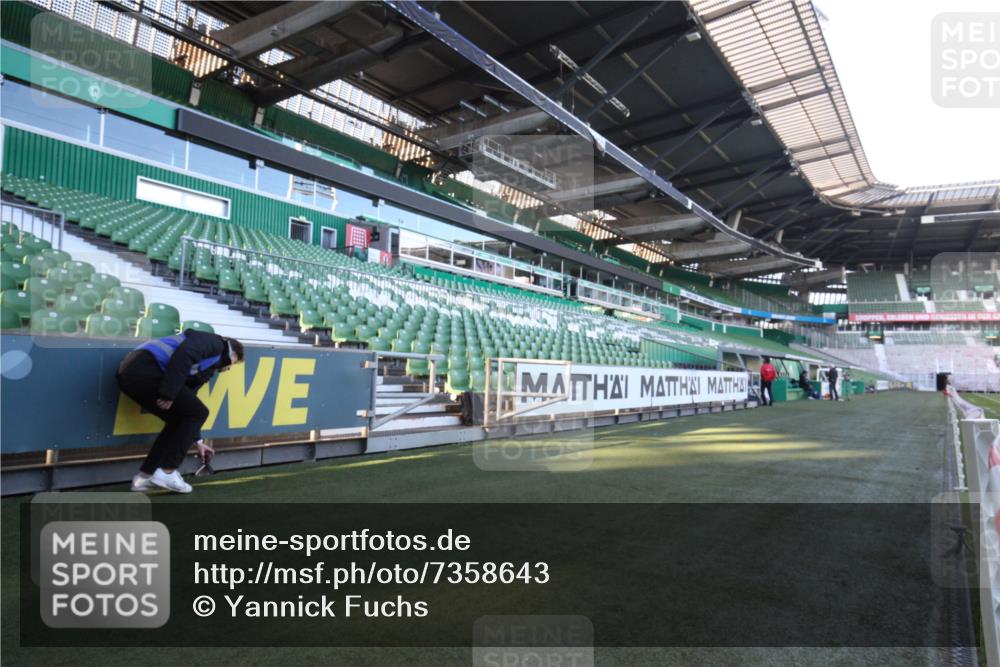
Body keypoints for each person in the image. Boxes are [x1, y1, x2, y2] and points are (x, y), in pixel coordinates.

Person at [117, 329, 245, 493]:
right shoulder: (215, 343)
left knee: (180, 418)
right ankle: (167, 471)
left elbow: (189, 400)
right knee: (199, 412)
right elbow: (184, 354)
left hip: (135, 376)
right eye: (233, 363)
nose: (228, 368)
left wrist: (198, 441)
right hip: (143, 368)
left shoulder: (207, 368)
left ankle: (144, 478)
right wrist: (168, 393)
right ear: (233, 353)